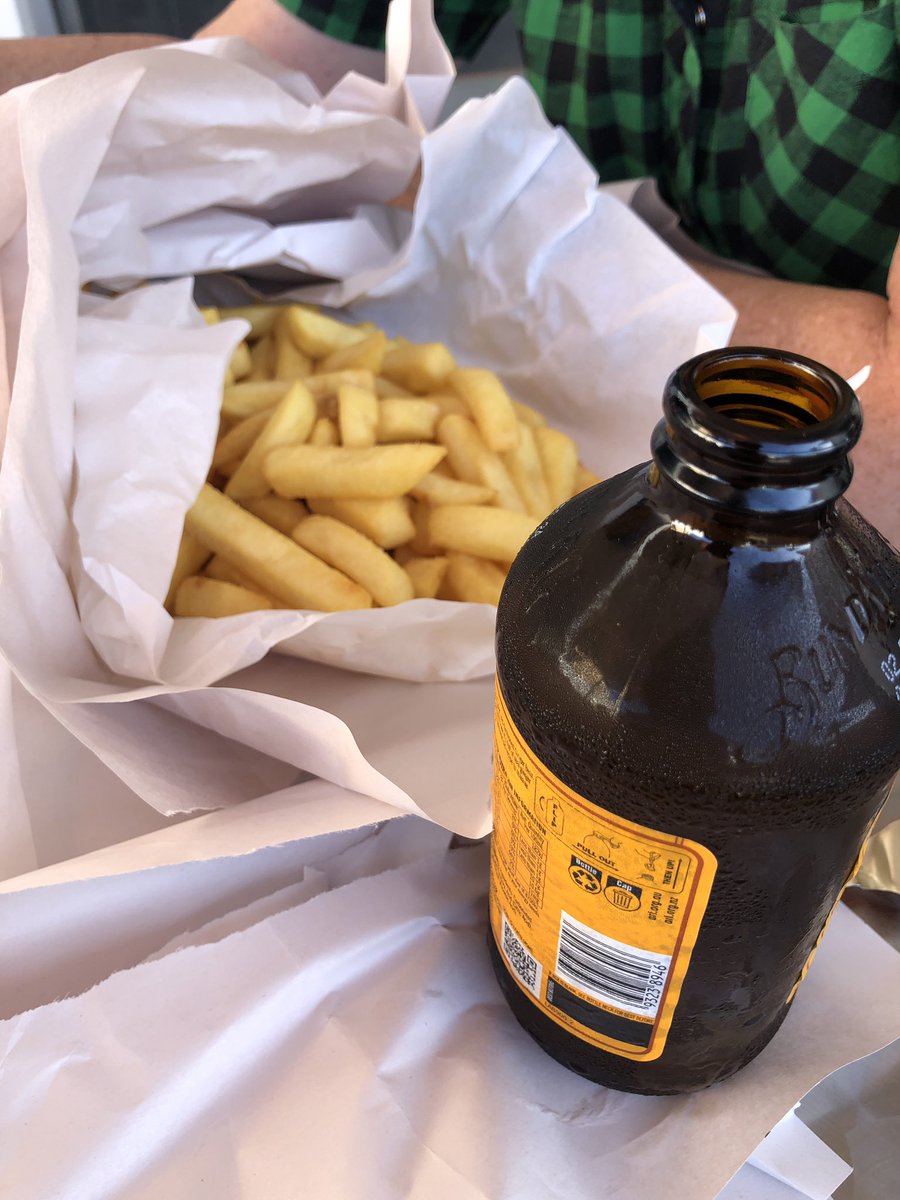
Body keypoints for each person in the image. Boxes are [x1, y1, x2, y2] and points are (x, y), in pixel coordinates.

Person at [1, 0, 897, 541]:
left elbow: (887, 442)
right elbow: (255, 88)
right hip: (563, 472)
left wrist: (433, 181)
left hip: (825, 594)